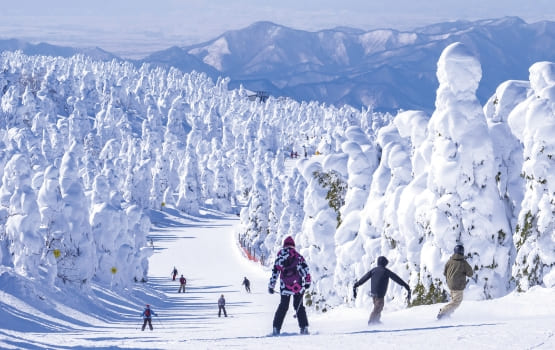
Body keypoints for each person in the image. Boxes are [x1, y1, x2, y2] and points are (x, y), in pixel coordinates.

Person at [268, 236, 311, 335]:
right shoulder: (298, 256)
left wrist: (271, 286)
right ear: (293, 246)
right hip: (298, 286)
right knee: (299, 306)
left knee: (283, 307)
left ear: (284, 246)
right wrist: (307, 282)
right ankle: (304, 327)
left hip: (285, 287)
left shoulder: (280, 257)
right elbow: (305, 270)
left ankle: (276, 328)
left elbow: (275, 272)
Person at [353, 256, 411, 325]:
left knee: (378, 307)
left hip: (374, 294)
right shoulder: (385, 271)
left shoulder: (373, 270)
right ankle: (371, 322)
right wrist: (405, 285)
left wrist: (356, 284)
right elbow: (396, 278)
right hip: (380, 294)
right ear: (385, 263)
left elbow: (364, 278)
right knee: (378, 308)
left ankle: (376, 321)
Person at [437, 244, 473, 320]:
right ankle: (443, 312)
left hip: (450, 285)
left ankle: (447, 314)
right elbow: (470, 273)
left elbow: (444, 273)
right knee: (456, 302)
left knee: (454, 301)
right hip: (458, 285)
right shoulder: (463, 263)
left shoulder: (449, 261)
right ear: (462, 252)